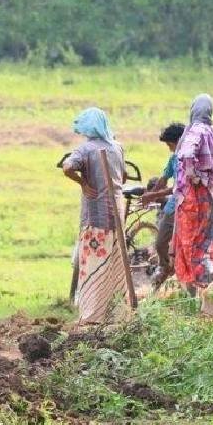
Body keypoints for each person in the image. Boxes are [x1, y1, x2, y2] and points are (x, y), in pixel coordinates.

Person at [61, 107, 128, 324]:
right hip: (116, 213)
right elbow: (124, 176)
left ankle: (92, 314)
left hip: (95, 216)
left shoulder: (86, 149)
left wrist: (83, 183)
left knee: (93, 264)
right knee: (115, 263)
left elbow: (67, 167)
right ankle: (116, 312)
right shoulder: (117, 147)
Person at [172, 94, 213, 288]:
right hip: (212, 193)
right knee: (205, 239)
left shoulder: (196, 130)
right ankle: (205, 284)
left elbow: (186, 153)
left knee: (189, 238)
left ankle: (193, 284)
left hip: (194, 194)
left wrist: (195, 175)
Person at [138, 122, 186, 288]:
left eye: (170, 144)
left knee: (182, 246)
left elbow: (177, 187)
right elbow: (164, 178)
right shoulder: (174, 158)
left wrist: (154, 194)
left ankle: (180, 274)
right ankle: (165, 267)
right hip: (173, 206)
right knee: (160, 243)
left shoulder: (187, 159)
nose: (169, 148)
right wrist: (151, 194)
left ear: (180, 140)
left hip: (186, 205)